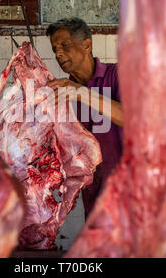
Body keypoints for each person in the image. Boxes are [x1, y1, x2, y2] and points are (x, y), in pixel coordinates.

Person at [46, 17, 123, 218]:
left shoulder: (115, 75)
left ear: (87, 45)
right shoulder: (63, 91)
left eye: (65, 45)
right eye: (55, 49)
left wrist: (82, 93)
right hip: (94, 193)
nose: (58, 53)